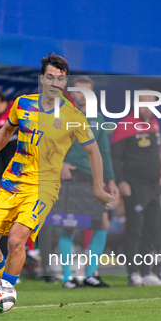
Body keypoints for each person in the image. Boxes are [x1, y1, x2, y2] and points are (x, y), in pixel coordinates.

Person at [0, 53, 115, 287]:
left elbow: (94, 152)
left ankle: (6, 291)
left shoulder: (73, 116)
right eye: (50, 77)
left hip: (43, 188)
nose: (55, 83)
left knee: (16, 240)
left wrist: (98, 189)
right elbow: (5, 132)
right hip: (11, 184)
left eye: (61, 78)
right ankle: (3, 281)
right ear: (42, 79)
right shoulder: (23, 104)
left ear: (65, 82)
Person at [57, 75, 119, 288]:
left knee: (102, 223)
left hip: (93, 177)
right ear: (72, 92)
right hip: (72, 175)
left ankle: (91, 274)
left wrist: (110, 179)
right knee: (69, 225)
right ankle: (67, 277)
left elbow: (104, 151)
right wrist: (61, 164)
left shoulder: (98, 117)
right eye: (80, 91)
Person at [111, 94, 161, 286]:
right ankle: (133, 273)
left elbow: (153, 155)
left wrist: (159, 176)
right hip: (134, 185)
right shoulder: (125, 125)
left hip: (153, 186)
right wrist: (120, 181)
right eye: (144, 104)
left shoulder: (155, 124)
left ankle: (146, 272)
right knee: (135, 229)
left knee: (152, 229)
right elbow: (115, 157)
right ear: (136, 105)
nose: (147, 108)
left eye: (151, 104)